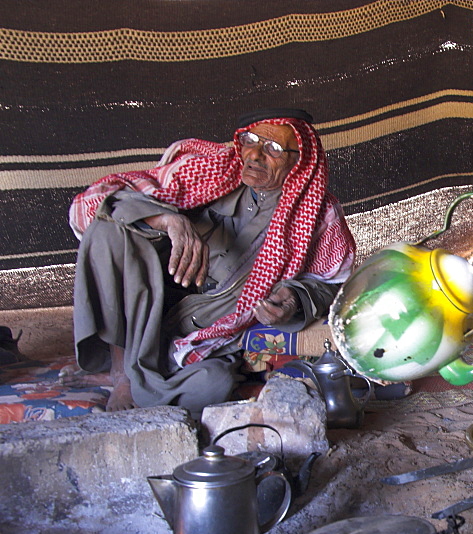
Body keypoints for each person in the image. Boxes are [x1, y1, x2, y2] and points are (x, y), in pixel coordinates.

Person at [69, 108, 355, 413]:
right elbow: (98, 202)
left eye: (273, 149)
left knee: (213, 383)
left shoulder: (317, 215)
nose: (255, 155)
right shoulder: (210, 174)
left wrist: (295, 299)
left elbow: (331, 283)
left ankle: (150, 388)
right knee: (107, 230)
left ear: (298, 160)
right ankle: (122, 373)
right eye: (250, 141)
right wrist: (168, 221)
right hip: (146, 306)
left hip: (210, 329)